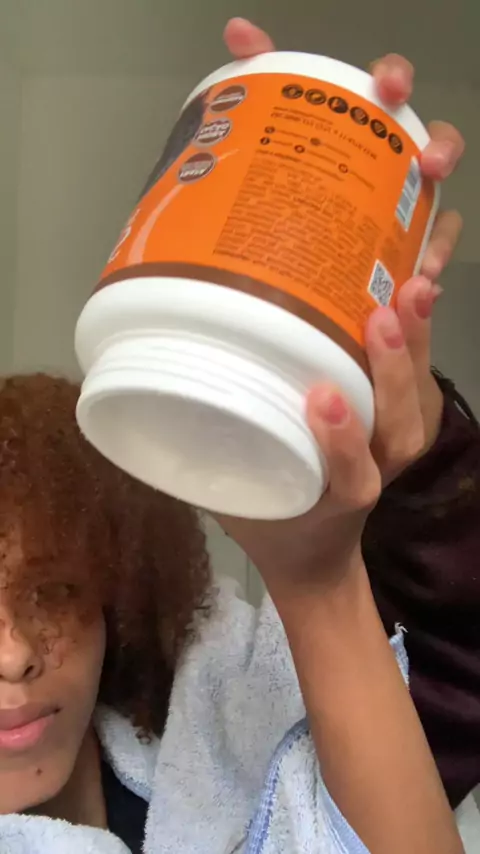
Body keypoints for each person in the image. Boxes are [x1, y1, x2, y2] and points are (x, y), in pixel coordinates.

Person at [0, 19, 474, 854]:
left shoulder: (221, 729)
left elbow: (449, 683)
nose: (13, 658)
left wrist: (406, 453)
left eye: (52, 592)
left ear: (115, 597)